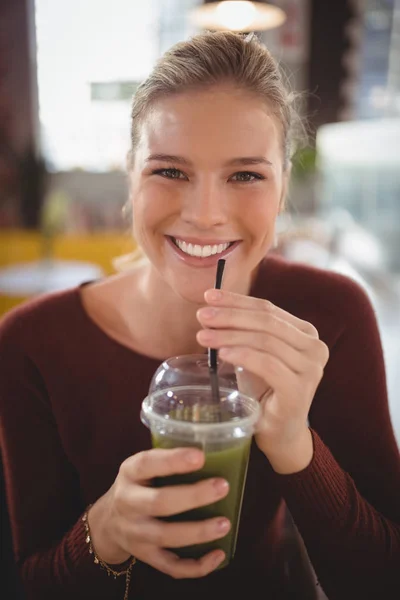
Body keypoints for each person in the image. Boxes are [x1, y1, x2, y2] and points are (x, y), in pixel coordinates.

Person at [0, 31, 399, 600]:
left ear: (282, 188)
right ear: (130, 176)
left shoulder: (330, 316)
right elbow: (33, 582)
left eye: (245, 175)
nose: (206, 214)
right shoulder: (30, 343)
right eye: (169, 171)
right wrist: (105, 530)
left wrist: (292, 442)